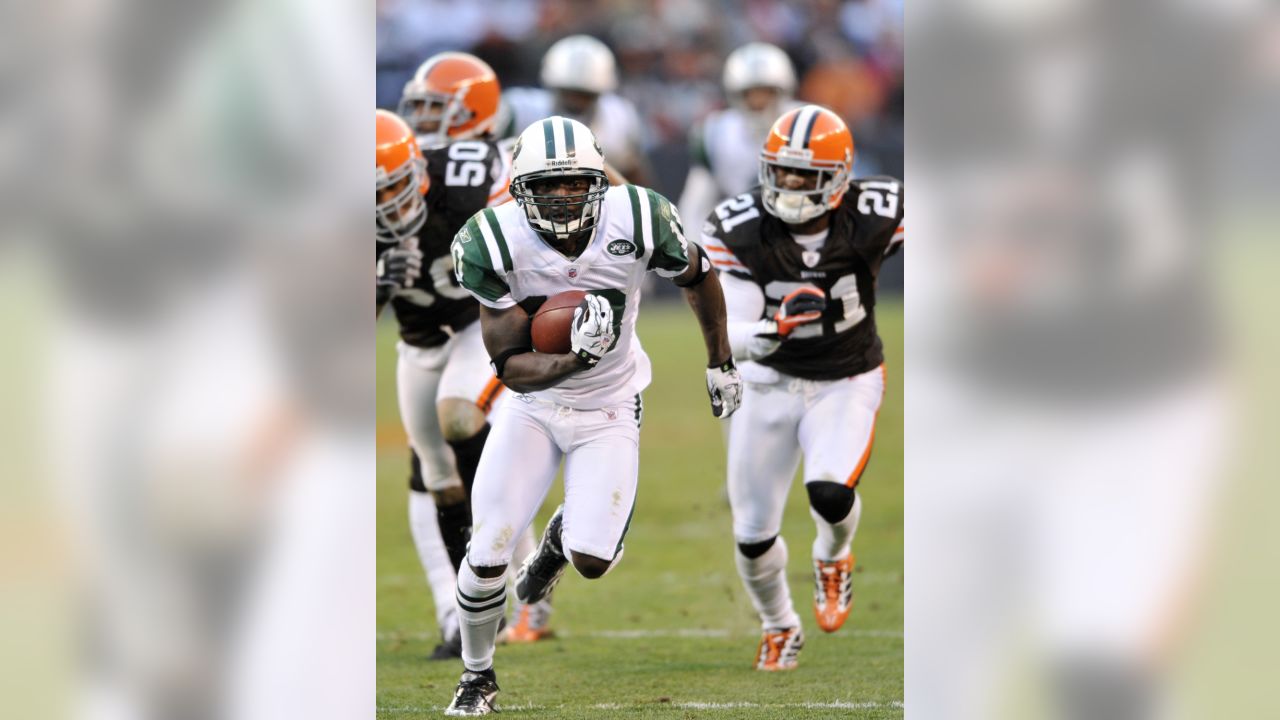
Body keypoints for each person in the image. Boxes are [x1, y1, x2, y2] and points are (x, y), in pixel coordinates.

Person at [442, 116, 743, 715]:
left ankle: (558, 542)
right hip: (532, 407)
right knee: (486, 554)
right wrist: (574, 358)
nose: (561, 195)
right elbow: (508, 363)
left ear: (599, 179)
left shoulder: (639, 216)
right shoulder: (492, 239)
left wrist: (720, 361)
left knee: (593, 560)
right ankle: (477, 677)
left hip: (610, 407)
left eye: (575, 183)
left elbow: (700, 276)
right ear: (519, 187)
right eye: (546, 185)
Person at [701, 104, 903, 671]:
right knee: (752, 532)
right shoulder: (739, 227)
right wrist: (769, 332)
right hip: (768, 383)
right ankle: (779, 624)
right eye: (781, 170)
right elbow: (727, 328)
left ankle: (832, 557)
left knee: (831, 492)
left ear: (838, 178)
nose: (789, 183)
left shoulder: (875, 211)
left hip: (846, 376)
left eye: (804, 174)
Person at [392, 51, 560, 648]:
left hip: (473, 323)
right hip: (416, 342)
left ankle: (519, 576)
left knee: (460, 414)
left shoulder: (474, 168)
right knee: (434, 473)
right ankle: (453, 614)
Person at [678, 42, 803, 231]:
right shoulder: (716, 132)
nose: (759, 102)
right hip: (740, 237)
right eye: (750, 94)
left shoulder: (810, 126)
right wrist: (697, 252)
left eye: (766, 93)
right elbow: (695, 207)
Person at [497, 35, 652, 185]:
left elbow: (632, 172)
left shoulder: (619, 117)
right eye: (569, 92)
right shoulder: (522, 109)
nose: (576, 101)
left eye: (585, 95)